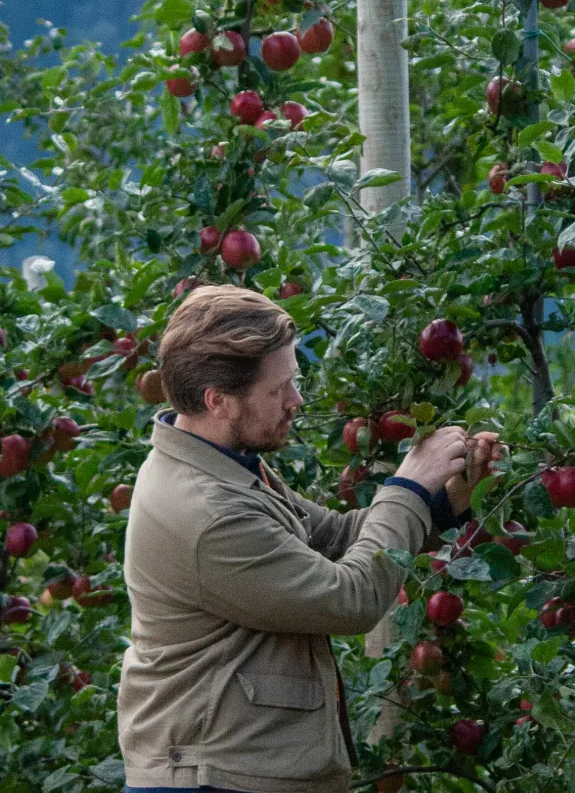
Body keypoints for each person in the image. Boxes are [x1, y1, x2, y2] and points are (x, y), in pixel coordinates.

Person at [116, 285, 501, 793]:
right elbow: (350, 599)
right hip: (214, 778)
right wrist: (407, 485)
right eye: (280, 389)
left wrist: (447, 496)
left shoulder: (221, 467)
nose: (296, 401)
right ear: (219, 401)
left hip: (236, 765)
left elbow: (334, 535)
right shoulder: (207, 511)